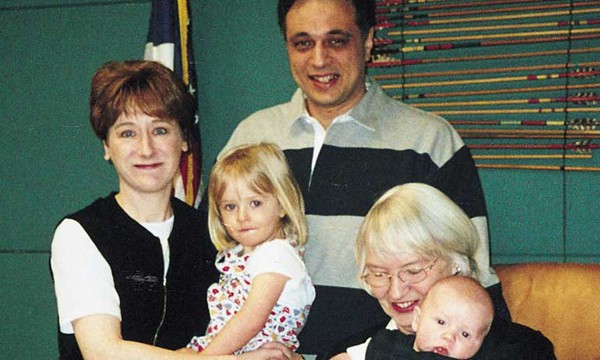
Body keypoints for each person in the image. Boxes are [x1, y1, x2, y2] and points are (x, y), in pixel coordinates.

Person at [217, 0, 506, 354]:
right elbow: (211, 259)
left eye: (337, 40)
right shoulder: (250, 138)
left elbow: (473, 292)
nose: (319, 59)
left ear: (368, 41)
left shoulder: (430, 142)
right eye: (303, 42)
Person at [50, 60, 291, 360]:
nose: (146, 148)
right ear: (106, 146)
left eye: (161, 130)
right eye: (127, 133)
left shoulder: (216, 232)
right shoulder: (81, 233)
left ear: (185, 140)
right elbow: (103, 352)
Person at [323, 183, 555, 360]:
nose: (395, 293)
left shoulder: (521, 350)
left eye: (413, 271)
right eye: (379, 274)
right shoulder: (347, 351)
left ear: (457, 264)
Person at [185, 143, 315, 355]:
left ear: (282, 205)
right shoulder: (243, 256)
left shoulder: (277, 254)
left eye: (255, 203)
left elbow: (251, 320)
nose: (242, 216)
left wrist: (206, 358)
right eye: (230, 206)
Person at [410, 276, 494, 359]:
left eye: (465, 334)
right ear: (417, 320)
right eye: (441, 322)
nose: (449, 337)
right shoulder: (397, 345)